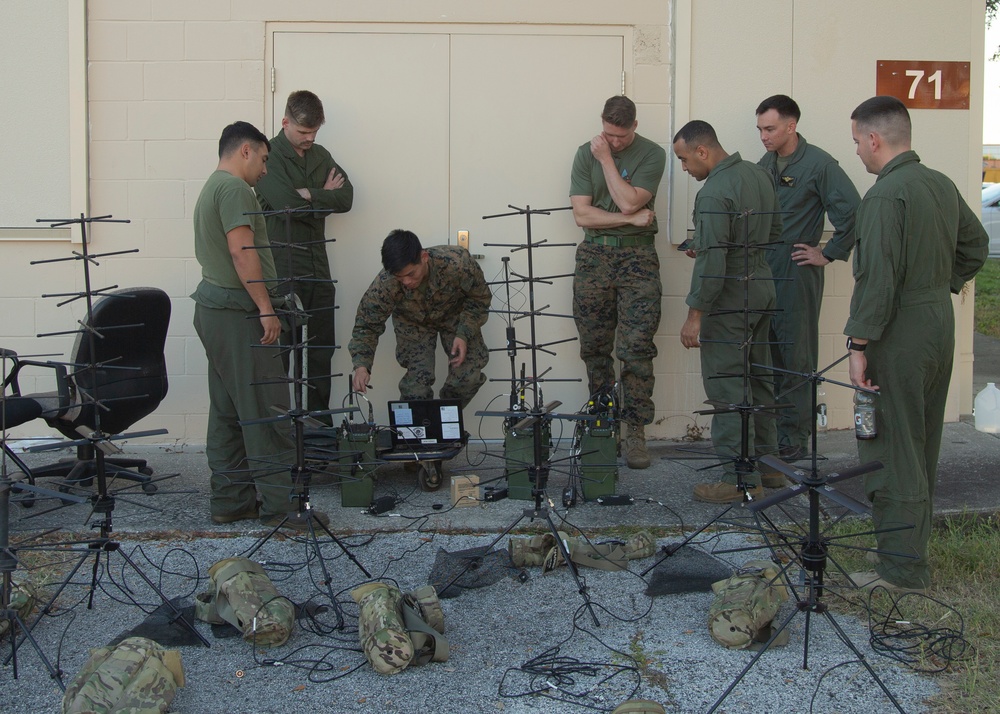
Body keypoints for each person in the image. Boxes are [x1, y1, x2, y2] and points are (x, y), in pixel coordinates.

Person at [844, 96, 987, 592]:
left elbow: (878, 279)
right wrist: (938, 283)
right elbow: (976, 245)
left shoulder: (886, 196)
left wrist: (858, 343)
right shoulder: (939, 183)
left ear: (875, 139)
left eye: (858, 142)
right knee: (922, 443)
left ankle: (902, 570)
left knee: (892, 445)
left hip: (897, 332)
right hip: (936, 324)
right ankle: (909, 553)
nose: (858, 152)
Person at [191, 121, 327, 530]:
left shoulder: (211, 186)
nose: (266, 169)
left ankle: (231, 500)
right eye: (264, 159)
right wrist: (267, 309)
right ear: (245, 151)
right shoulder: (234, 189)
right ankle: (281, 508)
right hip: (239, 315)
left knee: (229, 412)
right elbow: (241, 250)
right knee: (267, 410)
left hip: (216, 312)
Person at [673, 120, 782, 503]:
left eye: (685, 160)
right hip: (762, 288)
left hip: (730, 299)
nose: (685, 169)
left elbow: (715, 262)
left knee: (728, 388)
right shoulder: (759, 174)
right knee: (759, 379)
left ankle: (739, 479)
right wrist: (705, 243)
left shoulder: (714, 193)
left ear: (702, 151)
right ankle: (770, 468)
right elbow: (771, 232)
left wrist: (694, 315)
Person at [755, 95, 861, 463]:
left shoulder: (819, 164)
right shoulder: (764, 164)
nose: (764, 136)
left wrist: (827, 253)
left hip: (796, 271)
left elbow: (854, 213)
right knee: (763, 353)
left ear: (791, 125)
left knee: (794, 354)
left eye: (770, 129)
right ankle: (766, 434)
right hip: (761, 271)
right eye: (760, 130)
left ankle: (794, 437)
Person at [569, 95, 666, 470]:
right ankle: (601, 421)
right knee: (594, 346)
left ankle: (635, 431)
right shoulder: (583, 153)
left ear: (635, 127)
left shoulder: (652, 155)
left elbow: (627, 202)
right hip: (594, 257)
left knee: (636, 348)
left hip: (638, 259)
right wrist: (631, 218)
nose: (613, 142)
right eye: (608, 135)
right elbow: (582, 215)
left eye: (621, 137)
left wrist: (607, 161)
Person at [256, 90, 354, 418]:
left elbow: (347, 198)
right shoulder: (267, 156)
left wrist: (312, 194)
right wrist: (323, 199)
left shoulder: (321, 155)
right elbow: (285, 206)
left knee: (321, 353)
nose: (309, 138)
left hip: (318, 269)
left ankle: (318, 429)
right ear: (285, 123)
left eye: (314, 131)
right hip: (283, 269)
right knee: (281, 353)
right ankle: (279, 431)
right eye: (303, 132)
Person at [349, 229, 491, 408]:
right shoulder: (386, 282)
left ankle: (444, 420)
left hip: (455, 316)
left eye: (410, 274)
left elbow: (480, 299)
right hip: (412, 323)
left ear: (424, 257)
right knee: (416, 388)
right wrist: (362, 366)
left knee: (468, 377)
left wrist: (463, 333)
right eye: (400, 278)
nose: (406, 282)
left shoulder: (457, 262)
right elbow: (367, 325)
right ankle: (417, 431)